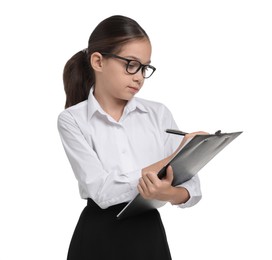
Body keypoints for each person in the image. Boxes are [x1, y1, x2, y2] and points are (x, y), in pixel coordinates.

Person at [58, 15, 203, 260]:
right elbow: (101, 191)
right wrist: (175, 158)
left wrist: (168, 193)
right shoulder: (72, 120)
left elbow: (192, 187)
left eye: (145, 68)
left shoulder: (157, 114)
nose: (139, 77)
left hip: (149, 236)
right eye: (131, 64)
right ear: (98, 61)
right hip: (98, 239)